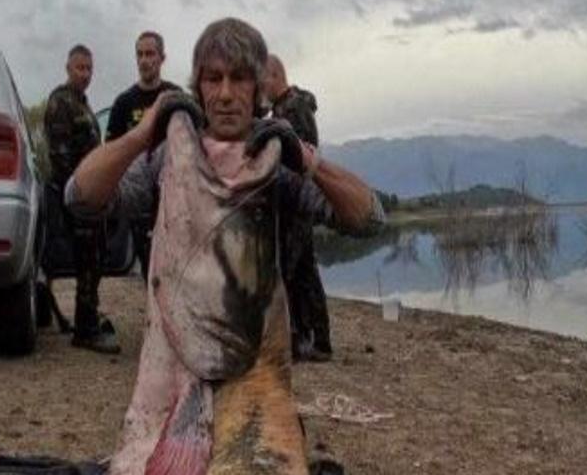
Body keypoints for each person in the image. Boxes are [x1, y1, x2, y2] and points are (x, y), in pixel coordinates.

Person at [66, 19, 384, 339]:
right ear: (199, 88)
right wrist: (141, 135)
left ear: (258, 88)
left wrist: (305, 158)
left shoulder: (275, 157)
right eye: (214, 78)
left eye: (240, 78)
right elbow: (80, 198)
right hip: (181, 344)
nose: (226, 94)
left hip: (255, 354)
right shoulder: (170, 154)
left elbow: (369, 219)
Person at [43, 44, 119, 353]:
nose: (85, 74)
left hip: (90, 194)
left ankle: (86, 316)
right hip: (77, 196)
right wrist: (77, 194)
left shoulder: (82, 103)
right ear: (68, 67)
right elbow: (60, 156)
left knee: (95, 258)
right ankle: (85, 331)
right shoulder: (60, 102)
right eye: (80, 68)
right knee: (87, 260)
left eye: (89, 69)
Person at [264, 54, 332, 362]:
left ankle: (308, 338)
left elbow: (303, 156)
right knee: (301, 270)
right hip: (287, 204)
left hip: (297, 203)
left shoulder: (294, 109)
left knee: (295, 271)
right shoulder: (281, 110)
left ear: (273, 75)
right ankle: (311, 339)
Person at [105, 31, 182, 279]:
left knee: (175, 270)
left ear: (162, 58)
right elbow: (112, 152)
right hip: (139, 204)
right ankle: (153, 315)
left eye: (150, 54)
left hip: (173, 201)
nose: (144, 60)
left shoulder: (175, 96)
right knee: (149, 272)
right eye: (139, 54)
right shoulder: (123, 103)